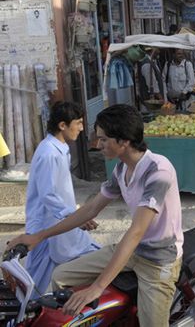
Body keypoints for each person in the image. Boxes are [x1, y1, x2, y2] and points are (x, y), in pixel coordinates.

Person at [8, 104, 184, 325]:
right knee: (61, 276)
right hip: (133, 250)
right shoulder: (121, 169)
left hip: (158, 260)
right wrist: (39, 236)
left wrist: (97, 288)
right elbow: (91, 209)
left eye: (103, 140)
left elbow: (137, 231)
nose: (97, 145)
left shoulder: (158, 171)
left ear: (124, 141)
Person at [21, 102, 100, 297]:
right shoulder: (49, 153)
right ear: (62, 125)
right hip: (45, 226)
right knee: (31, 285)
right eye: (79, 123)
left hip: (59, 224)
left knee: (91, 254)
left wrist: (75, 216)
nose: (82, 128)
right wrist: (75, 216)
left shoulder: (60, 148)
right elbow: (48, 194)